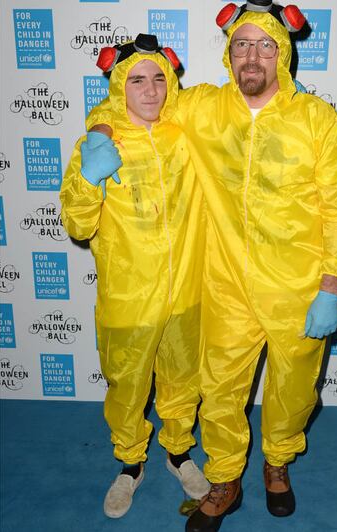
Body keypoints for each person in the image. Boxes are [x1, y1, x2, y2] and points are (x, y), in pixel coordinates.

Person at [86, 2, 337, 530]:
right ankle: (227, 477)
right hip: (226, 285)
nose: (251, 56)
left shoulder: (317, 120)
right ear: (228, 53)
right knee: (220, 392)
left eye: (264, 44)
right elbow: (140, 98)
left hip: (299, 289)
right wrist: (99, 129)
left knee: (295, 389)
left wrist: (330, 285)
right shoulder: (203, 108)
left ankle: (277, 463)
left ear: (283, 52)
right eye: (241, 44)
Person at [59, 34, 209, 520]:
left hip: (186, 290)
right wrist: (89, 174)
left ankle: (179, 452)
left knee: (183, 379)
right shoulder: (99, 141)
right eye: (138, 80)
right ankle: (129, 464)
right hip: (128, 297)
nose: (150, 91)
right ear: (119, 85)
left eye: (159, 79)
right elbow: (78, 225)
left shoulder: (185, 133)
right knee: (127, 385)